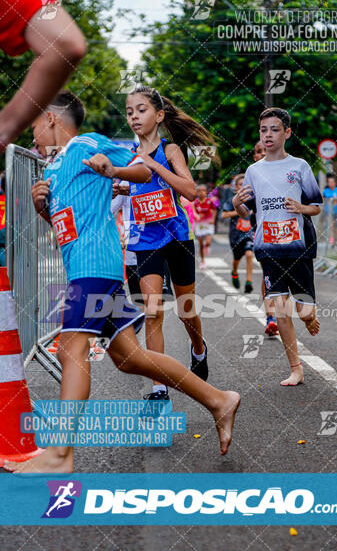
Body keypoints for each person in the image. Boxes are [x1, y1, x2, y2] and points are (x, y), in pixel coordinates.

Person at [4, 91, 240, 473]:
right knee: (130, 359)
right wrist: (40, 207)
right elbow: (67, 229)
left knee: (70, 352)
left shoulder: (88, 143)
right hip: (88, 266)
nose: (31, 135)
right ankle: (219, 400)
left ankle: (61, 456)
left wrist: (110, 170)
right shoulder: (52, 169)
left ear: (51, 118)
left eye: (33, 124)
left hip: (95, 267)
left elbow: (143, 171)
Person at [120, 85, 216, 401]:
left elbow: (189, 191)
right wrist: (123, 188)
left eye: (142, 109)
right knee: (152, 311)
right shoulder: (126, 155)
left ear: (159, 115)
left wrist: (154, 164)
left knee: (186, 309)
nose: (134, 116)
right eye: (130, 110)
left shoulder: (171, 150)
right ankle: (159, 385)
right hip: (145, 239)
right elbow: (136, 187)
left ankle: (199, 348)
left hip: (176, 236)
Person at [233, 107, 322, 386]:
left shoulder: (299, 167)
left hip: (298, 246)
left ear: (287, 133)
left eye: (274, 129)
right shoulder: (253, 171)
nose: (268, 135)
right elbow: (247, 213)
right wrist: (238, 206)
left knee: (304, 311)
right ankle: (296, 369)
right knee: (280, 311)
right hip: (269, 247)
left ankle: (309, 315)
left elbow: (317, 207)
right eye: (263, 130)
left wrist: (301, 208)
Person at [0, 0, 86, 153]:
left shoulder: (91, 149)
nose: (32, 141)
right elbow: (64, 42)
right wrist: (5, 129)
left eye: (33, 129)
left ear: (51, 119)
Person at [251, 143, 279, 337]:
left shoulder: (284, 171)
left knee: (284, 273)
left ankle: (282, 313)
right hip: (262, 230)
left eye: (264, 150)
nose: (262, 154)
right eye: (258, 151)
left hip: (286, 230)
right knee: (267, 271)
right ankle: (271, 317)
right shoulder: (252, 175)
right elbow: (244, 206)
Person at [221, 174, 254, 293]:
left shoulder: (252, 200)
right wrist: (240, 211)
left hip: (248, 233)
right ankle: (234, 272)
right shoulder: (231, 201)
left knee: (249, 254)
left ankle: (248, 282)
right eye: (240, 184)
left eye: (244, 184)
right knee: (237, 259)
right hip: (235, 235)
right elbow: (224, 215)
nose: (242, 187)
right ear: (235, 187)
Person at [193, 184, 217, 269]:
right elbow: (193, 211)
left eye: (203, 190)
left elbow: (214, 210)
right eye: (199, 191)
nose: (201, 192)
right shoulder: (195, 202)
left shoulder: (209, 201)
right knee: (200, 245)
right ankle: (202, 261)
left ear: (206, 192)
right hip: (199, 225)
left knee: (208, 242)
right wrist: (196, 216)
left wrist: (213, 219)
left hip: (208, 224)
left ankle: (207, 246)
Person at [323, 173, 337, 244]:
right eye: (329, 182)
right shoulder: (325, 191)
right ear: (328, 183)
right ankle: (331, 239)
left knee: (336, 226)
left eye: (332, 182)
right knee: (331, 225)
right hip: (328, 211)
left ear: (335, 183)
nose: (331, 183)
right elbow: (322, 199)